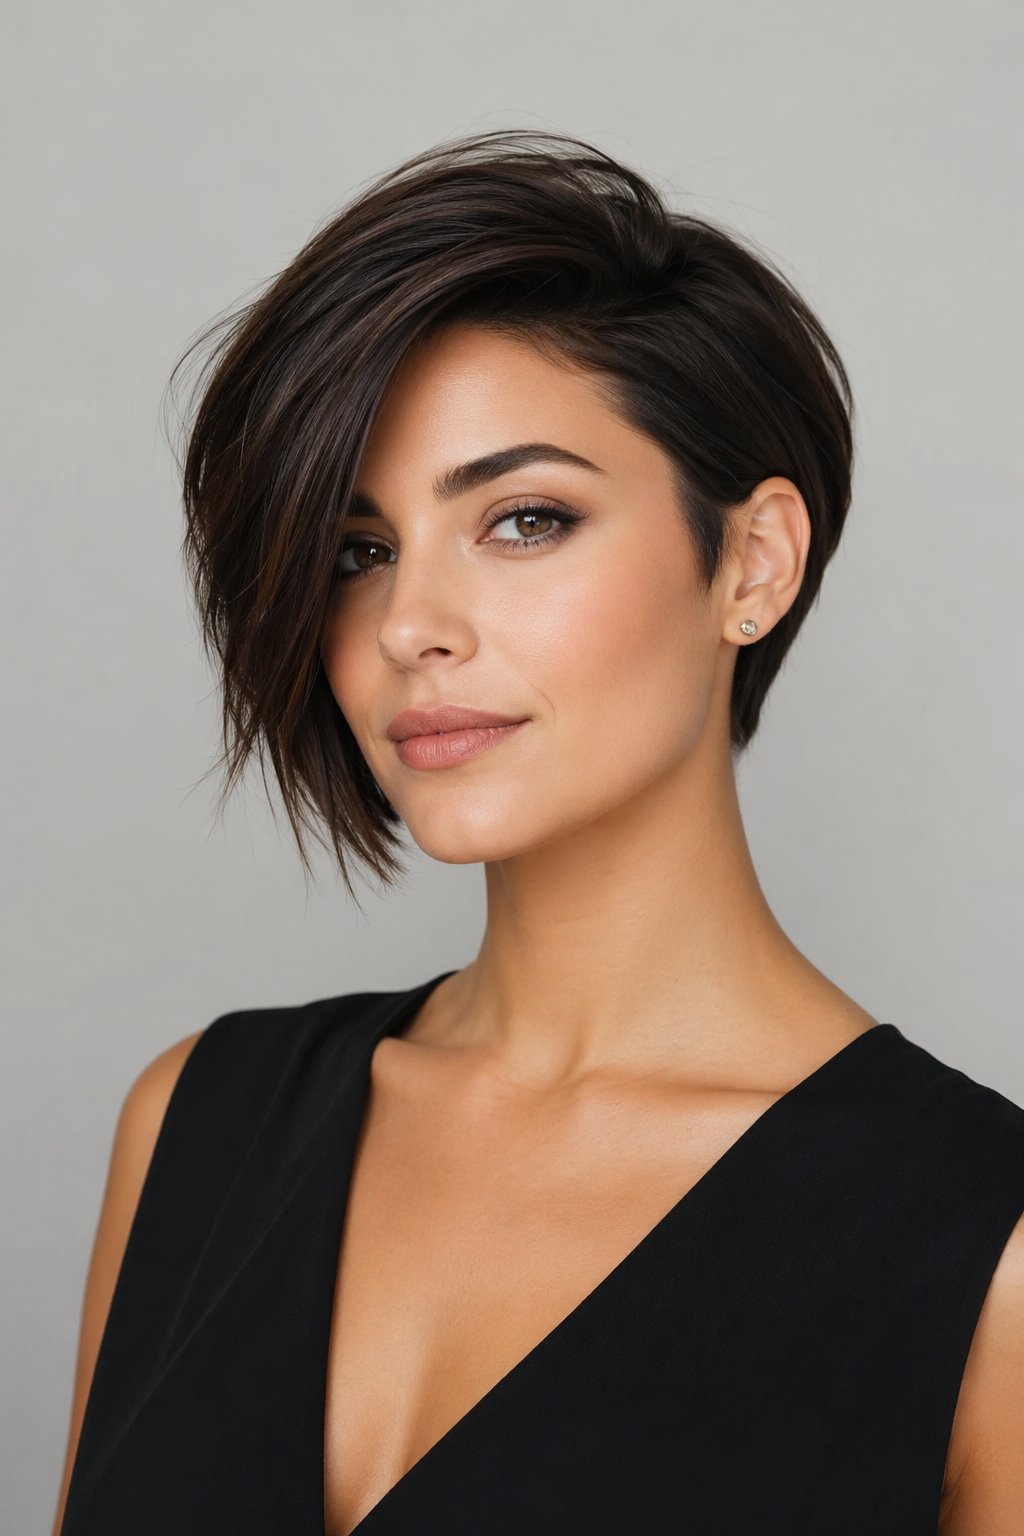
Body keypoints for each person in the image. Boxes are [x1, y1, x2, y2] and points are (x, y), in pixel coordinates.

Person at [52, 128, 1024, 1536]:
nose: (407, 629)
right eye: (356, 551)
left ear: (751, 563)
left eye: (522, 520)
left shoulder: (981, 1255)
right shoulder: (196, 1126)